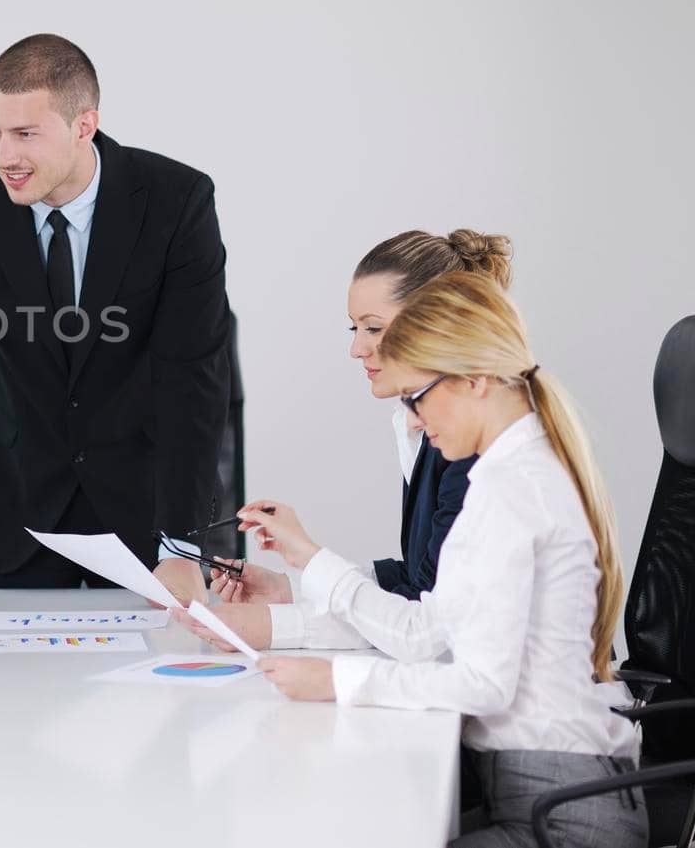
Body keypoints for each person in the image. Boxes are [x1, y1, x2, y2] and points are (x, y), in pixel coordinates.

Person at [232, 273, 644, 848]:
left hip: (565, 814)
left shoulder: (514, 490)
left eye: (417, 398)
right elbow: (431, 630)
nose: (415, 422)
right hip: (553, 793)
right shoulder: (509, 473)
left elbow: (483, 686)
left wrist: (337, 679)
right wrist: (305, 573)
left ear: (474, 380)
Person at [0, 34, 234, 608]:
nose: (5, 155)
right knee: (2, 693)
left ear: (85, 125)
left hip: (148, 509)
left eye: (25, 134)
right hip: (14, 505)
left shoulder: (177, 199)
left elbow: (191, 376)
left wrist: (182, 548)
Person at [195, 230, 512, 651]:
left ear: (437, 325)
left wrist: (284, 610)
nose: (356, 348)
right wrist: (291, 588)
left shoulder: (474, 443)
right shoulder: (423, 428)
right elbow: (424, 579)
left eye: (373, 328)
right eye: (355, 327)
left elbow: (430, 629)